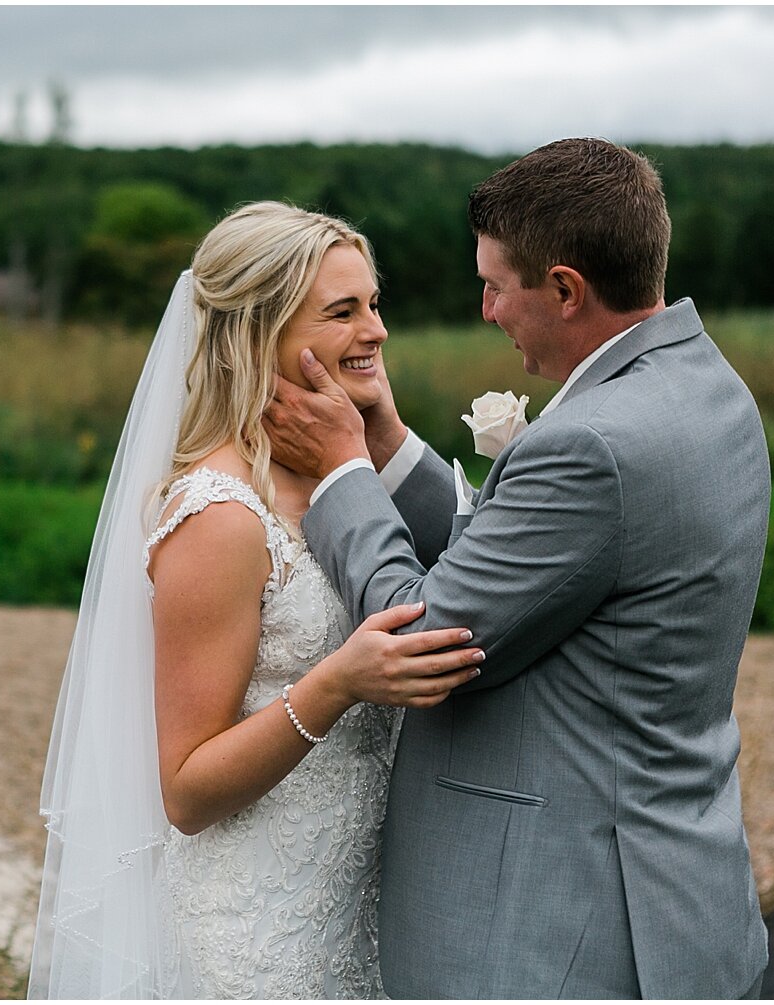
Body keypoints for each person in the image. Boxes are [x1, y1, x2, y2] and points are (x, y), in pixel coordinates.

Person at [264, 138, 772, 998]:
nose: (488, 308)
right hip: (679, 894)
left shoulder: (593, 445)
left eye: (497, 284)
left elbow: (423, 636)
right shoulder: (706, 386)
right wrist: (387, 440)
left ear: (566, 288)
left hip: (560, 931)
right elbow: (530, 559)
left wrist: (342, 470)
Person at [28, 202, 485, 999]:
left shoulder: (351, 478)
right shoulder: (221, 515)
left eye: (374, 304)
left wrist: (380, 434)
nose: (375, 330)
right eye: (342, 311)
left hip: (368, 918)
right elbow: (187, 789)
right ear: (257, 332)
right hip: (258, 937)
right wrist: (336, 683)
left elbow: (469, 570)